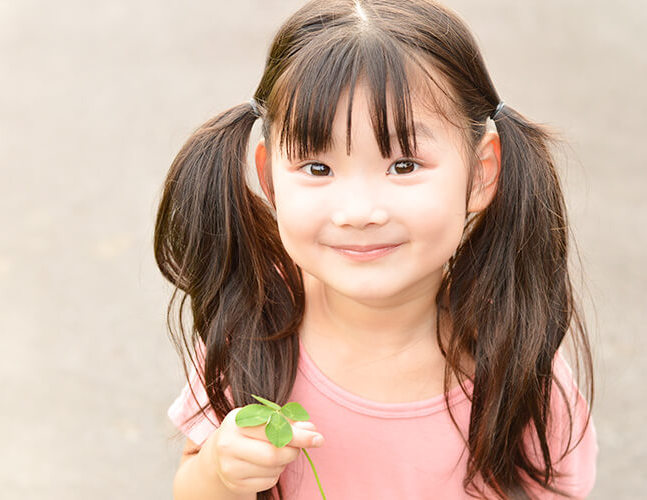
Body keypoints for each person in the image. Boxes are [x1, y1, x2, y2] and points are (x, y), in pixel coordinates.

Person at [155, 1, 598, 499]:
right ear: (268, 179)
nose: (359, 211)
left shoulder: (513, 345)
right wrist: (220, 471)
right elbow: (192, 489)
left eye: (404, 165)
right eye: (318, 169)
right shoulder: (256, 324)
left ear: (480, 173)